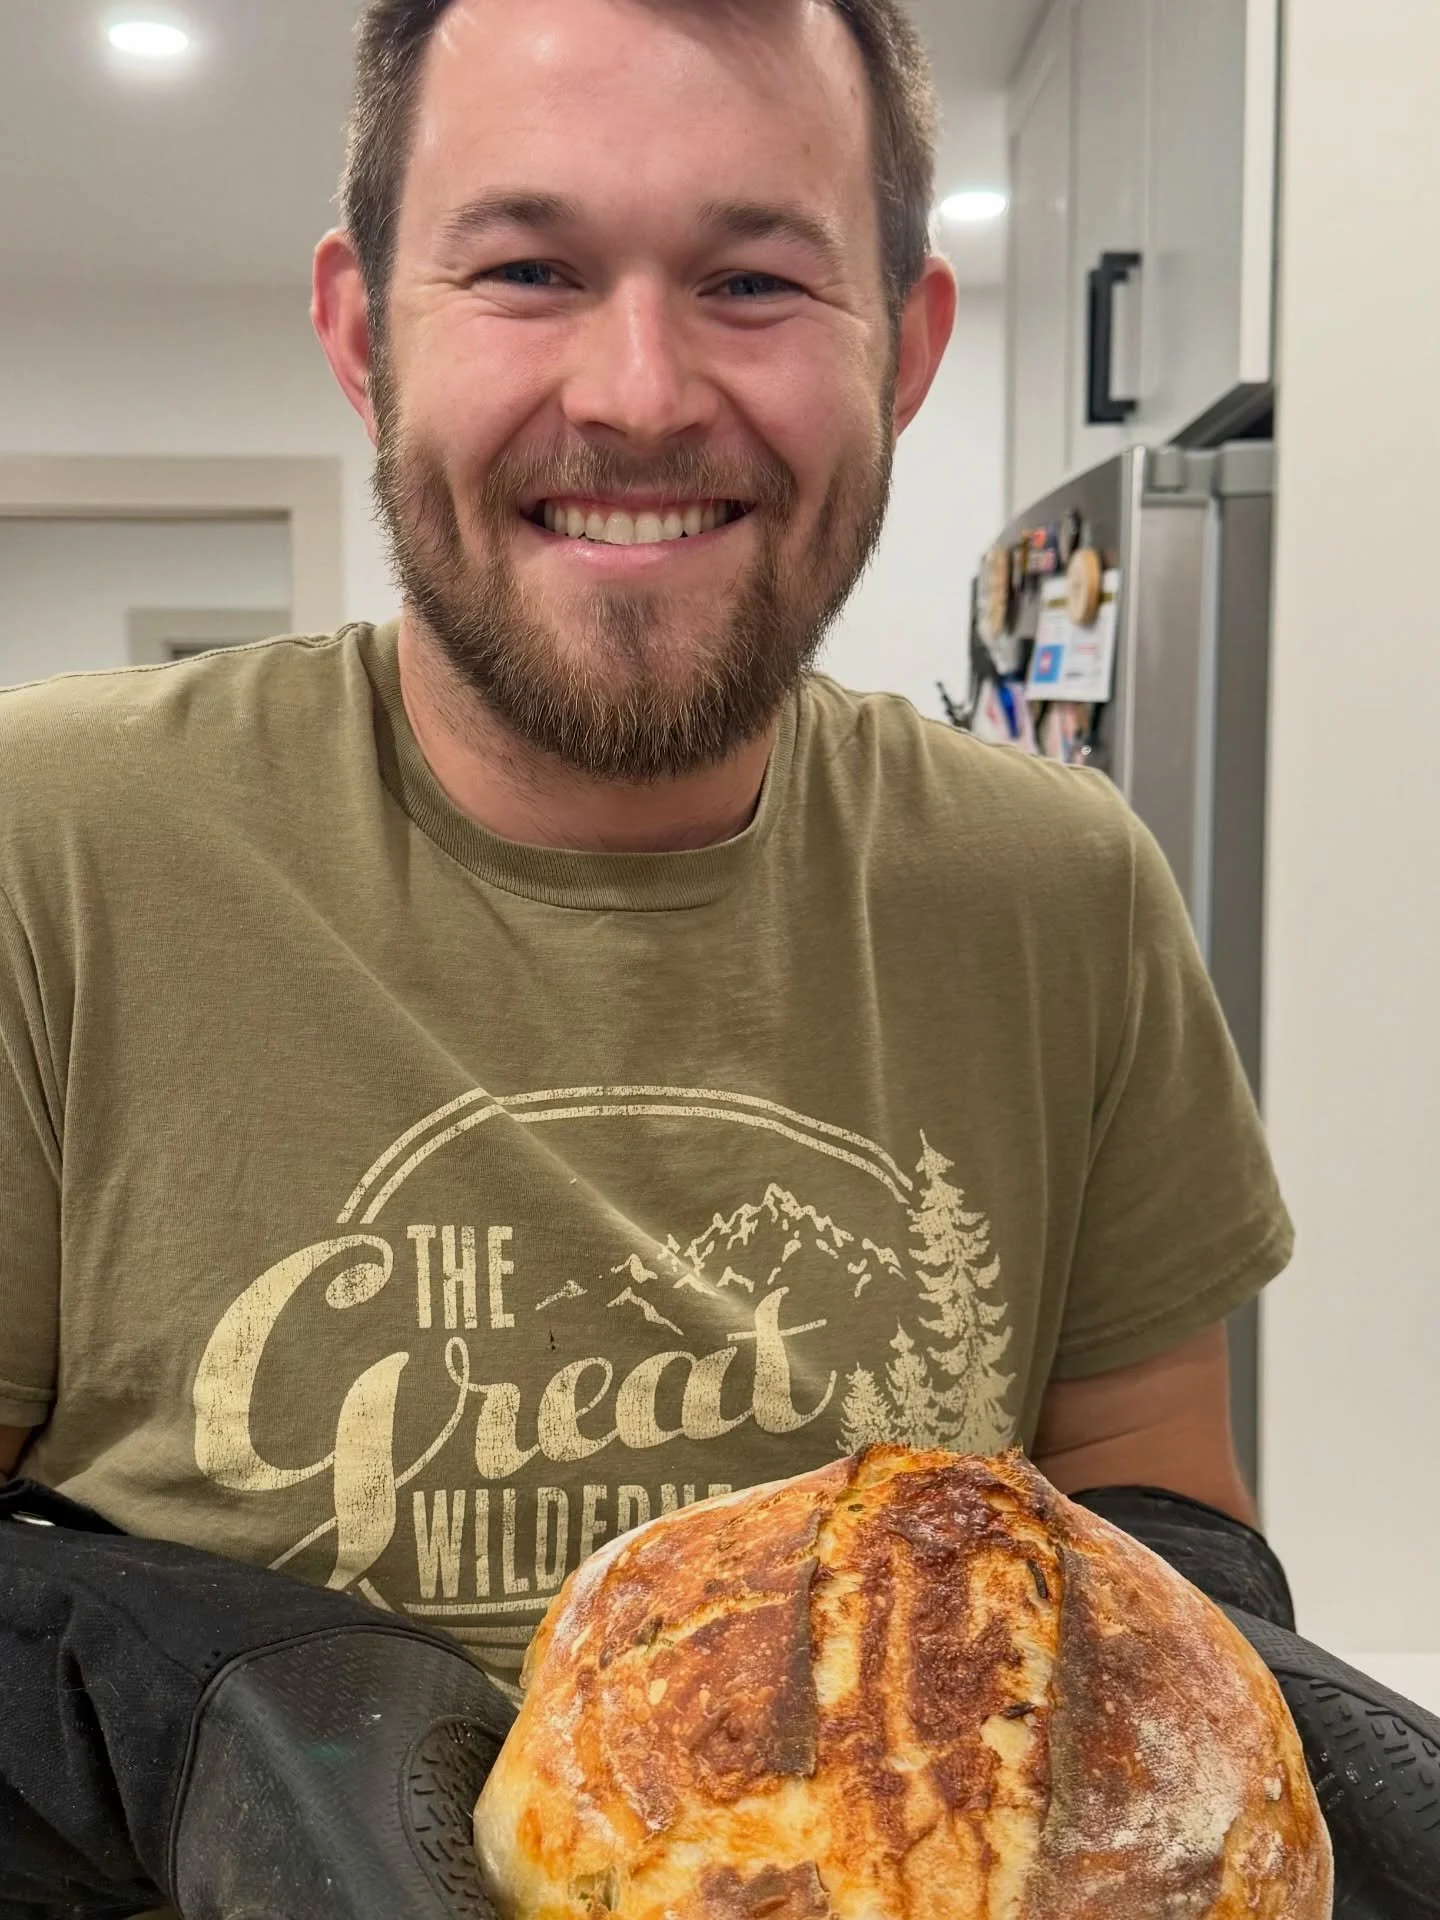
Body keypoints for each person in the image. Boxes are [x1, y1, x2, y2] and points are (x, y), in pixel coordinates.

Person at [0, 3, 1434, 1917]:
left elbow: (1144, 1493)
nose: (638, 394)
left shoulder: (1058, 886)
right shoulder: (51, 845)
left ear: (904, 347)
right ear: (363, 332)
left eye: (753, 279)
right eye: (528, 270)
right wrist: (182, 1704)